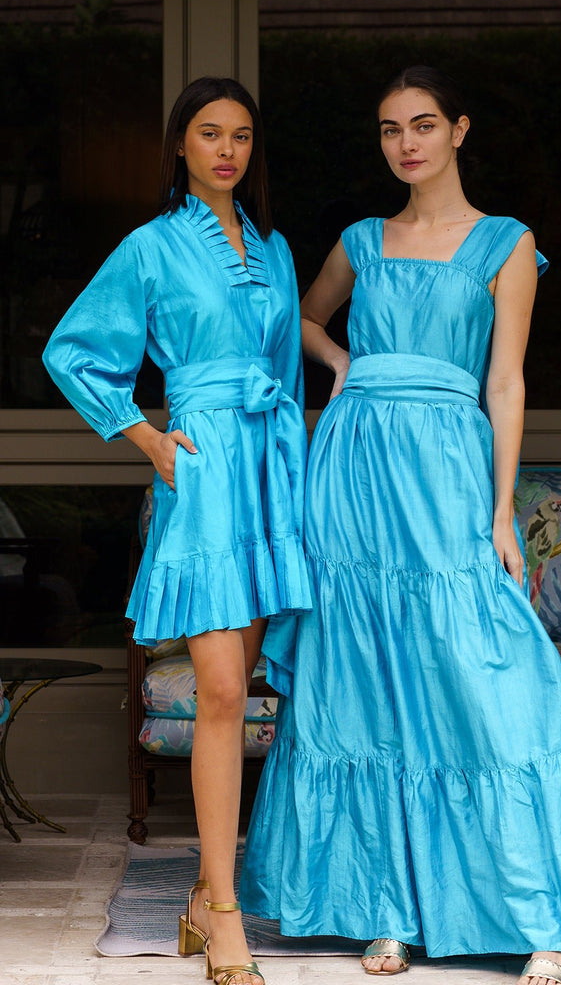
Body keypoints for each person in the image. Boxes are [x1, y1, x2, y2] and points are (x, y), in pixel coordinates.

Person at [239, 66, 561, 985]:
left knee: (486, 674)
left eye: (421, 125)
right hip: (353, 471)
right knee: (363, 680)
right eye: (389, 129)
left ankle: (541, 917)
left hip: (449, 470)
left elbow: (505, 381)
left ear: (458, 130)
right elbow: (299, 318)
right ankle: (382, 911)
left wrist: (500, 511)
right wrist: (345, 363)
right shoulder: (362, 239)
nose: (405, 143)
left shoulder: (506, 242)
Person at [43, 76, 311, 985]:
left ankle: (205, 893)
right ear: (181, 146)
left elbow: (287, 375)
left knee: (243, 695)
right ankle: (225, 914)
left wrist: (295, 482)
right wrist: (146, 436)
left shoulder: (274, 251)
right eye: (208, 134)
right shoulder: (149, 247)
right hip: (201, 473)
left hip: (268, 469)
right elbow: (73, 350)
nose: (226, 150)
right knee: (222, 691)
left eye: (240, 136)